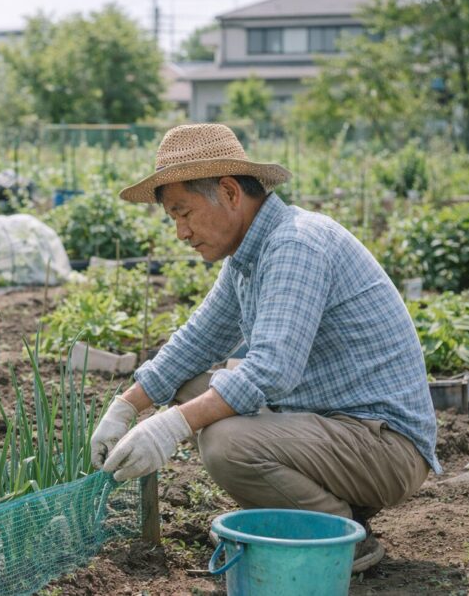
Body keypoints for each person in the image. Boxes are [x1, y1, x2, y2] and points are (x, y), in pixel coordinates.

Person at [91, 123, 438, 573]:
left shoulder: (294, 243)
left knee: (226, 443)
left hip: (385, 444)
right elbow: (199, 339)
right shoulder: (248, 255)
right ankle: (319, 506)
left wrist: (169, 427)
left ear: (230, 192)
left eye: (184, 212)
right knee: (192, 386)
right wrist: (126, 406)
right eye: (172, 218)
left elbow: (272, 370)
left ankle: (337, 534)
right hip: (339, 427)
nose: (180, 231)